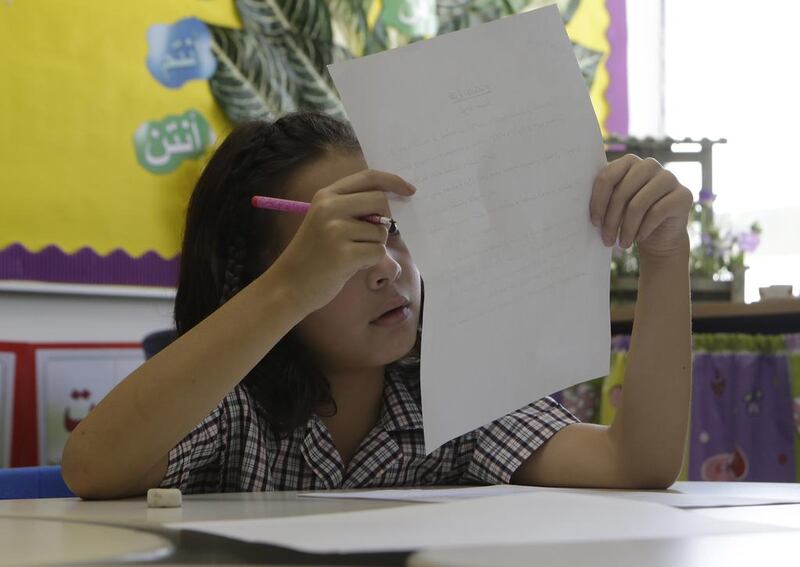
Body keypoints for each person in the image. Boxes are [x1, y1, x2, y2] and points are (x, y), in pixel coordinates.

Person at [62, 112, 693, 498]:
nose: (389, 266)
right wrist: (291, 288)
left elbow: (633, 463)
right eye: (342, 247)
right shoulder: (233, 404)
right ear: (257, 273)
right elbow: (91, 468)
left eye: (394, 230)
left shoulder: (445, 391)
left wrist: (665, 255)